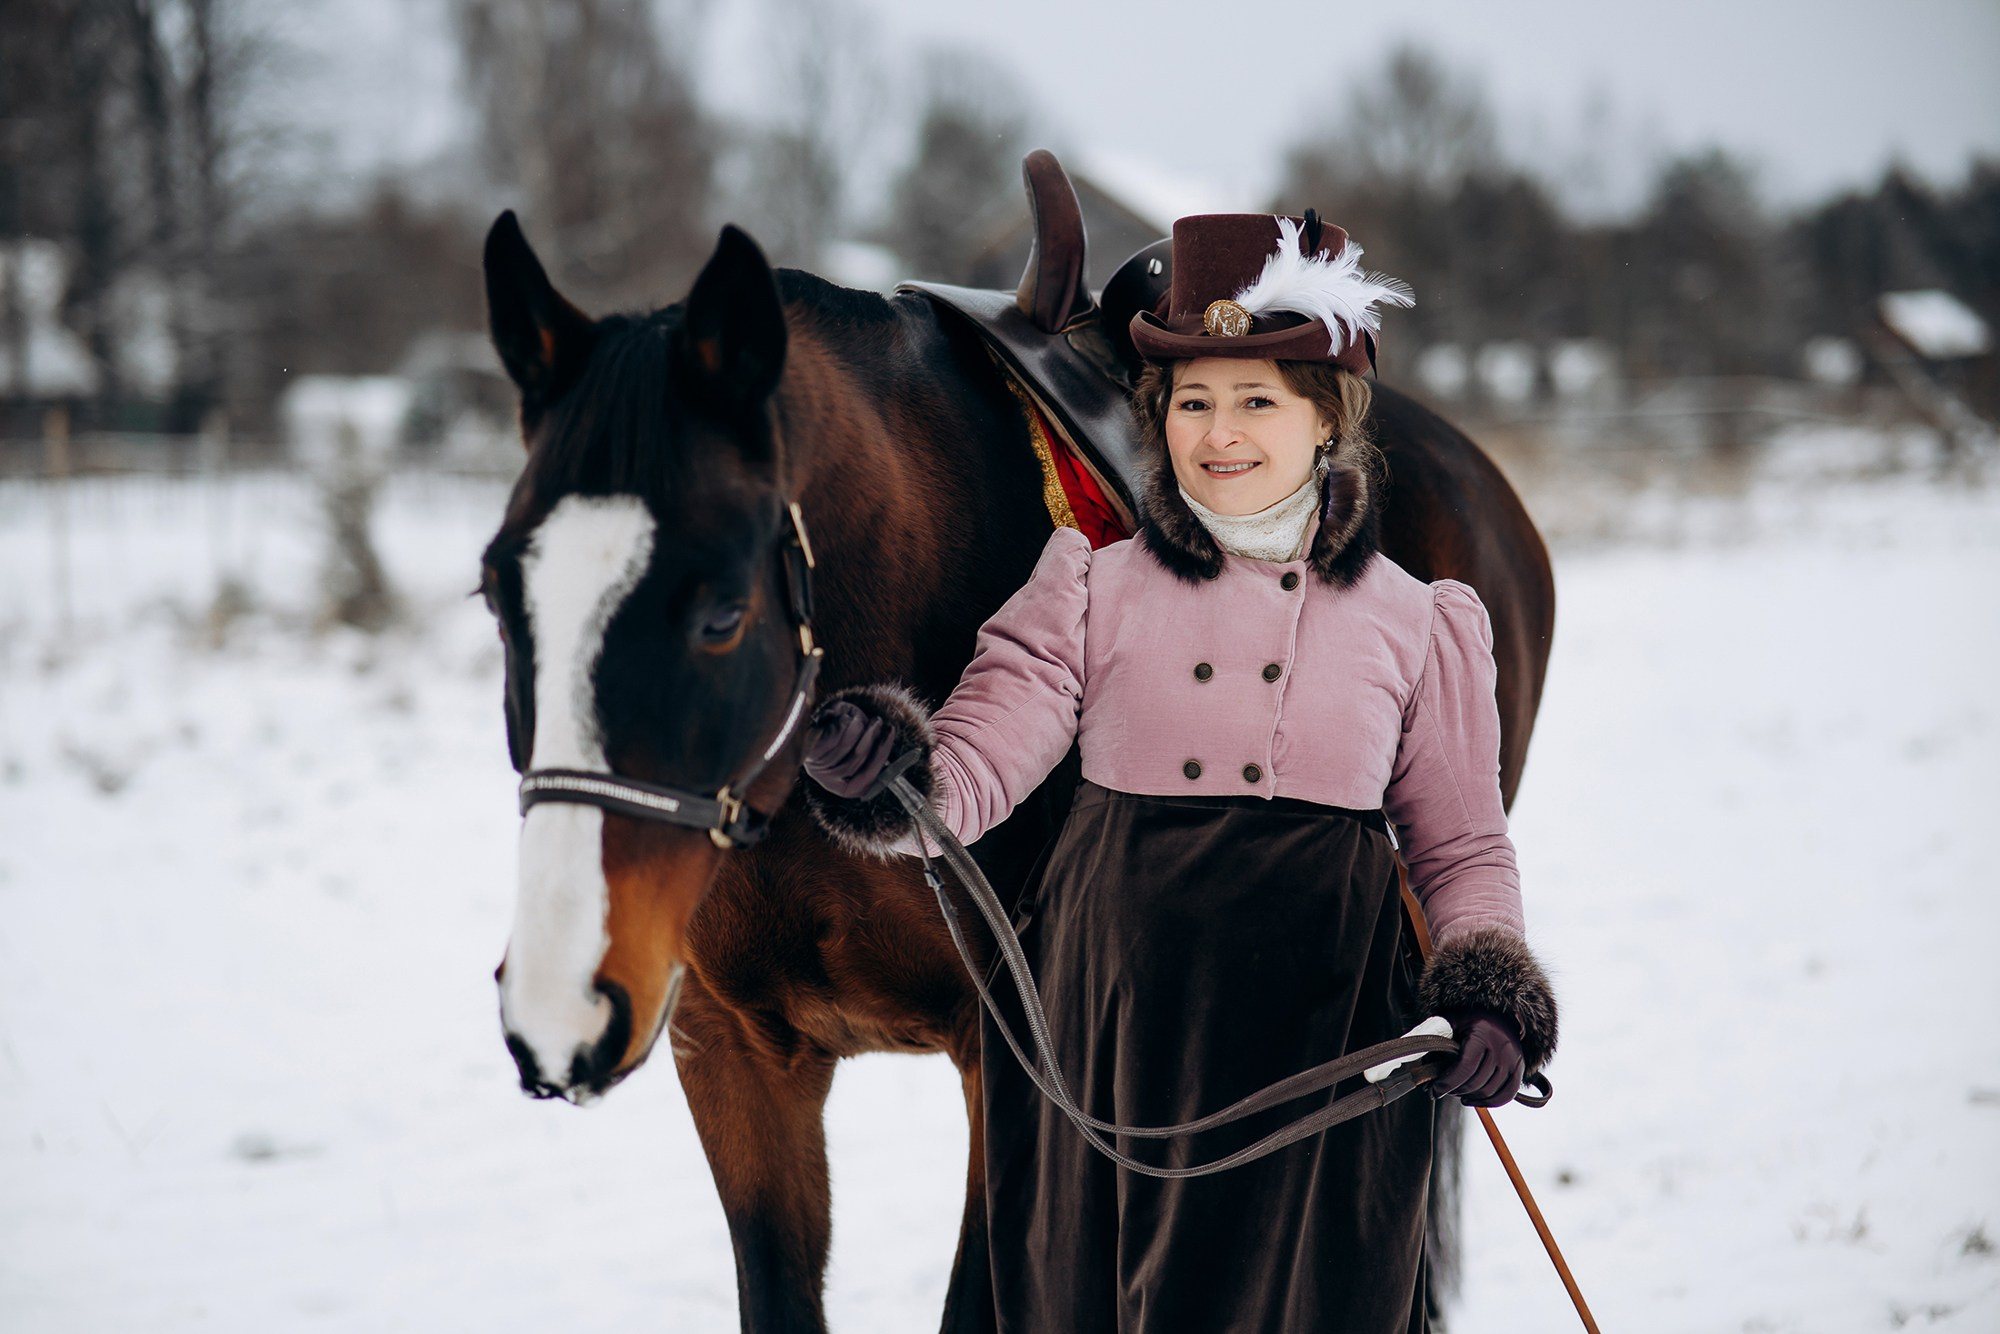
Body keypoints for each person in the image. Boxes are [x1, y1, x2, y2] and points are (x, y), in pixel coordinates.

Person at [802, 213, 1558, 1333]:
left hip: (1327, 1032)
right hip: (1111, 1025)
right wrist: (887, 772)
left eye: (1256, 399)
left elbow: (1458, 843)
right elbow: (971, 770)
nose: (1220, 432)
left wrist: (1487, 982)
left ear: (1324, 416)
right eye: (1191, 400)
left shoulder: (1420, 620)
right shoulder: (1085, 584)